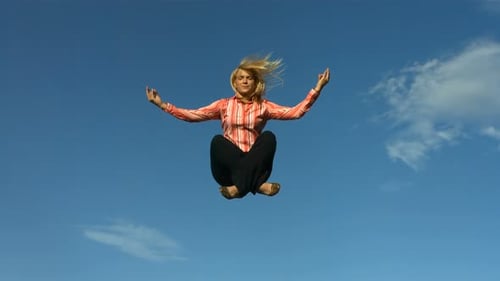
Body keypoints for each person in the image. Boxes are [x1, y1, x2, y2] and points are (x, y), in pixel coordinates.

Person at [146, 55, 330, 200]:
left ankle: (240, 189)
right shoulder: (224, 105)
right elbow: (195, 115)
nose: (244, 81)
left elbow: (294, 113)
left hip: (256, 167)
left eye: (249, 78)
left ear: (255, 83)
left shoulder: (263, 106)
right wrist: (163, 105)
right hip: (227, 173)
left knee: (269, 137)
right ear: (235, 83)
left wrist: (317, 89)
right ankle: (257, 186)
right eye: (241, 78)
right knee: (217, 141)